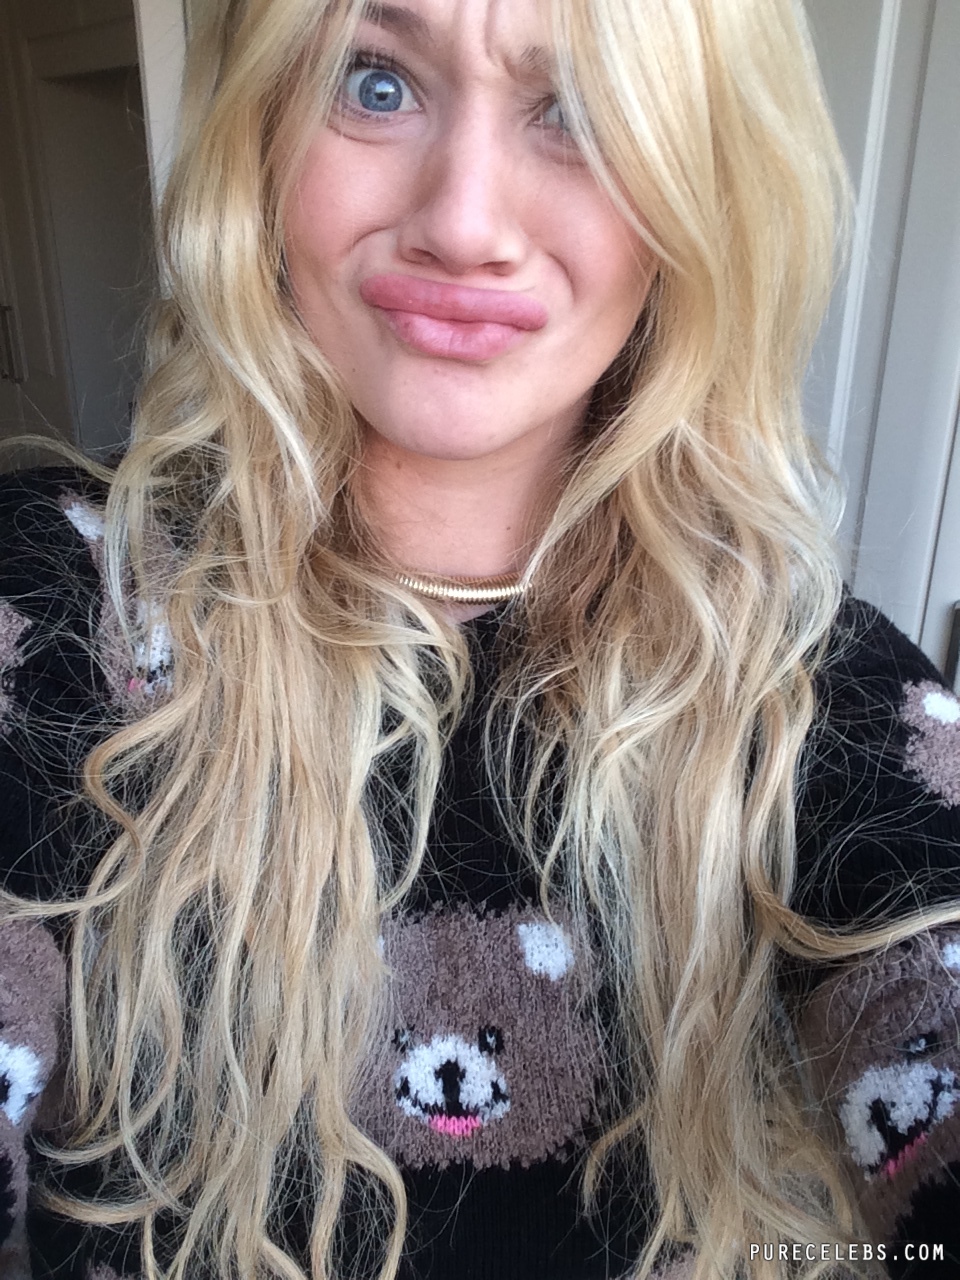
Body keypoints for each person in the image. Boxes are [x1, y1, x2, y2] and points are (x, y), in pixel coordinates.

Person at [2, 0, 960, 1277]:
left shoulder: (801, 688)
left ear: (701, 188)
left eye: (580, 114)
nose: (462, 222)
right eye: (375, 82)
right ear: (264, 131)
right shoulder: (62, 605)